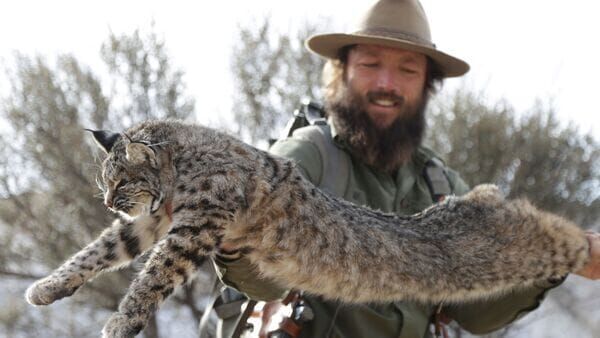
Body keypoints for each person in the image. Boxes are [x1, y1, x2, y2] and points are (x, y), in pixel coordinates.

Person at [213, 0, 600, 337]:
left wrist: (558, 256)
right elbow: (259, 281)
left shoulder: (440, 184)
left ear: (427, 85)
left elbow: (476, 314)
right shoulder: (307, 156)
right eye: (370, 64)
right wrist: (235, 238)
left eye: (407, 70)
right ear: (341, 71)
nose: (387, 83)